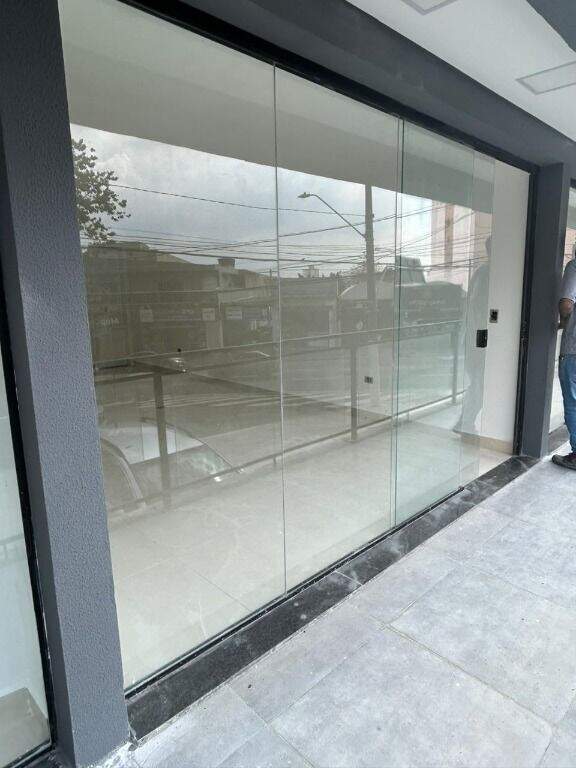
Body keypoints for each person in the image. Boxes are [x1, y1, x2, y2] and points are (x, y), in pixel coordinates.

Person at [553, 244, 576, 469]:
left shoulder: (574, 266)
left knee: (573, 403)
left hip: (574, 349)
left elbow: (566, 304)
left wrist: (565, 322)